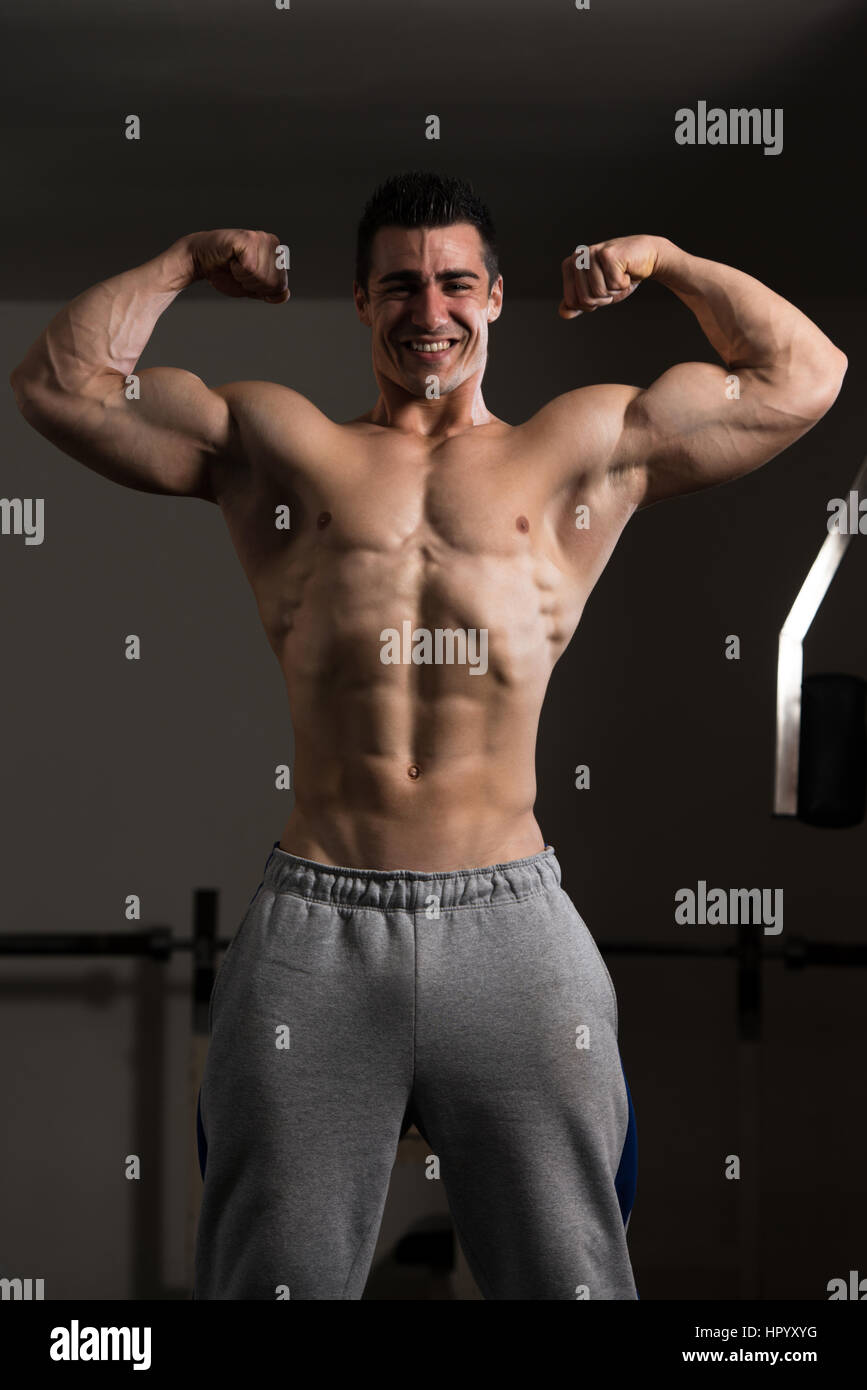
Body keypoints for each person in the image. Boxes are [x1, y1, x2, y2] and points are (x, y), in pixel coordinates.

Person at [10, 171, 847, 1300]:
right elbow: (61, 385)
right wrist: (184, 260)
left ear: (496, 297)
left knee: (572, 1281)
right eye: (400, 284)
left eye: (456, 281)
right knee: (274, 1278)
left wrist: (670, 260)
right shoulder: (283, 448)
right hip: (319, 919)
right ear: (360, 301)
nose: (430, 308)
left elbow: (804, 376)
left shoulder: (582, 450)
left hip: (511, 916)